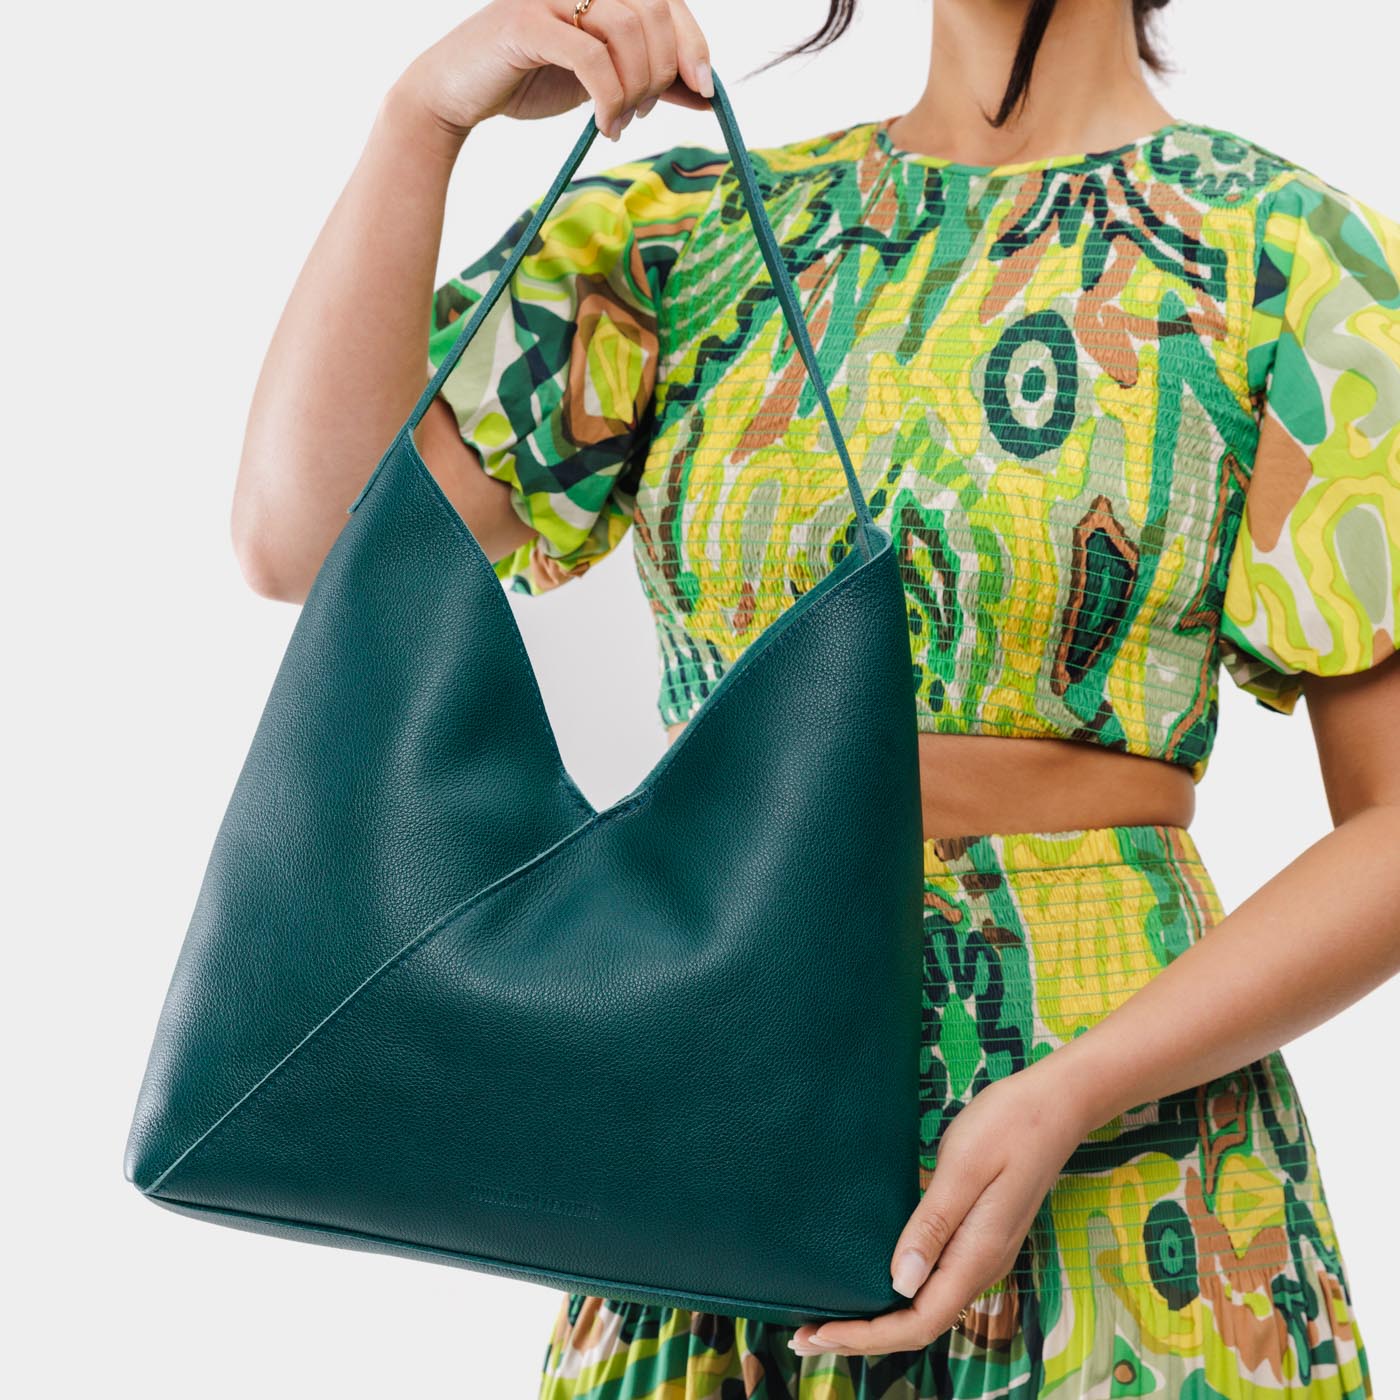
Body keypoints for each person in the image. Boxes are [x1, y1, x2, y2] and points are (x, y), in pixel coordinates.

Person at [230, 0, 1399, 1394]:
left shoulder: (1287, 261)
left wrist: (1081, 1085)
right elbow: (305, 537)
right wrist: (424, 118)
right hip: (714, 1103)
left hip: (1120, 1152)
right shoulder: (691, 236)